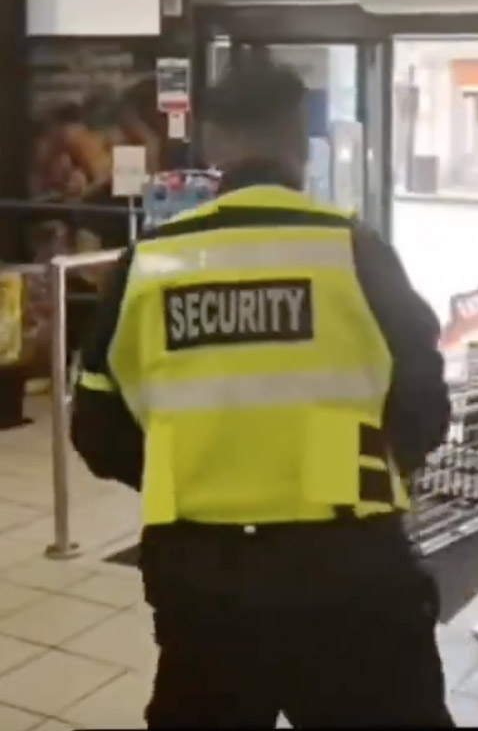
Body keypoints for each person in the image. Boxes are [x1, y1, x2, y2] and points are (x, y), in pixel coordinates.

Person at [70, 57, 454, 729]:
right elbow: (425, 407)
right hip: (350, 567)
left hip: (200, 574)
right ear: (298, 145)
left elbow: (97, 431)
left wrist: (196, 469)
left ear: (213, 147)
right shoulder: (356, 251)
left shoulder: (150, 263)